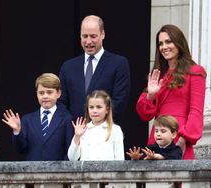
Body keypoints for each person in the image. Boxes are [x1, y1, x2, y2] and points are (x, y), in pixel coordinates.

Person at [136, 24, 206, 160]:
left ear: (179, 43)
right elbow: (145, 115)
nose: (164, 47)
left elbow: (196, 111)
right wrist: (150, 95)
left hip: (180, 137)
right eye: (160, 43)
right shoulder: (158, 74)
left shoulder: (195, 71)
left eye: (169, 41)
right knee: (155, 181)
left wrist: (184, 139)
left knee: (177, 181)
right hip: (157, 138)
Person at [59, 15, 130, 125]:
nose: (88, 41)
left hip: (105, 133)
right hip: (75, 133)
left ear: (103, 34)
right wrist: (73, 125)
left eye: (93, 36)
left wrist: (96, 125)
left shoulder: (118, 64)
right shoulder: (68, 67)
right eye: (84, 36)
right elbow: (61, 102)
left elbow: (119, 101)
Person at [2, 73, 74, 161]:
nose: (45, 96)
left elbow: (70, 150)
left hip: (57, 172)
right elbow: (21, 149)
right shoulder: (27, 120)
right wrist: (17, 131)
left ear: (58, 93)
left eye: (49, 92)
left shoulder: (66, 119)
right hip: (32, 172)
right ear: (37, 94)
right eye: (41, 93)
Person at [68, 90, 124, 161]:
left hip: (107, 172)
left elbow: (120, 160)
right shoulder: (83, 129)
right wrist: (77, 136)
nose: (94, 111)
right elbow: (72, 158)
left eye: (99, 107)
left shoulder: (115, 130)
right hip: (86, 172)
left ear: (107, 109)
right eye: (91, 107)